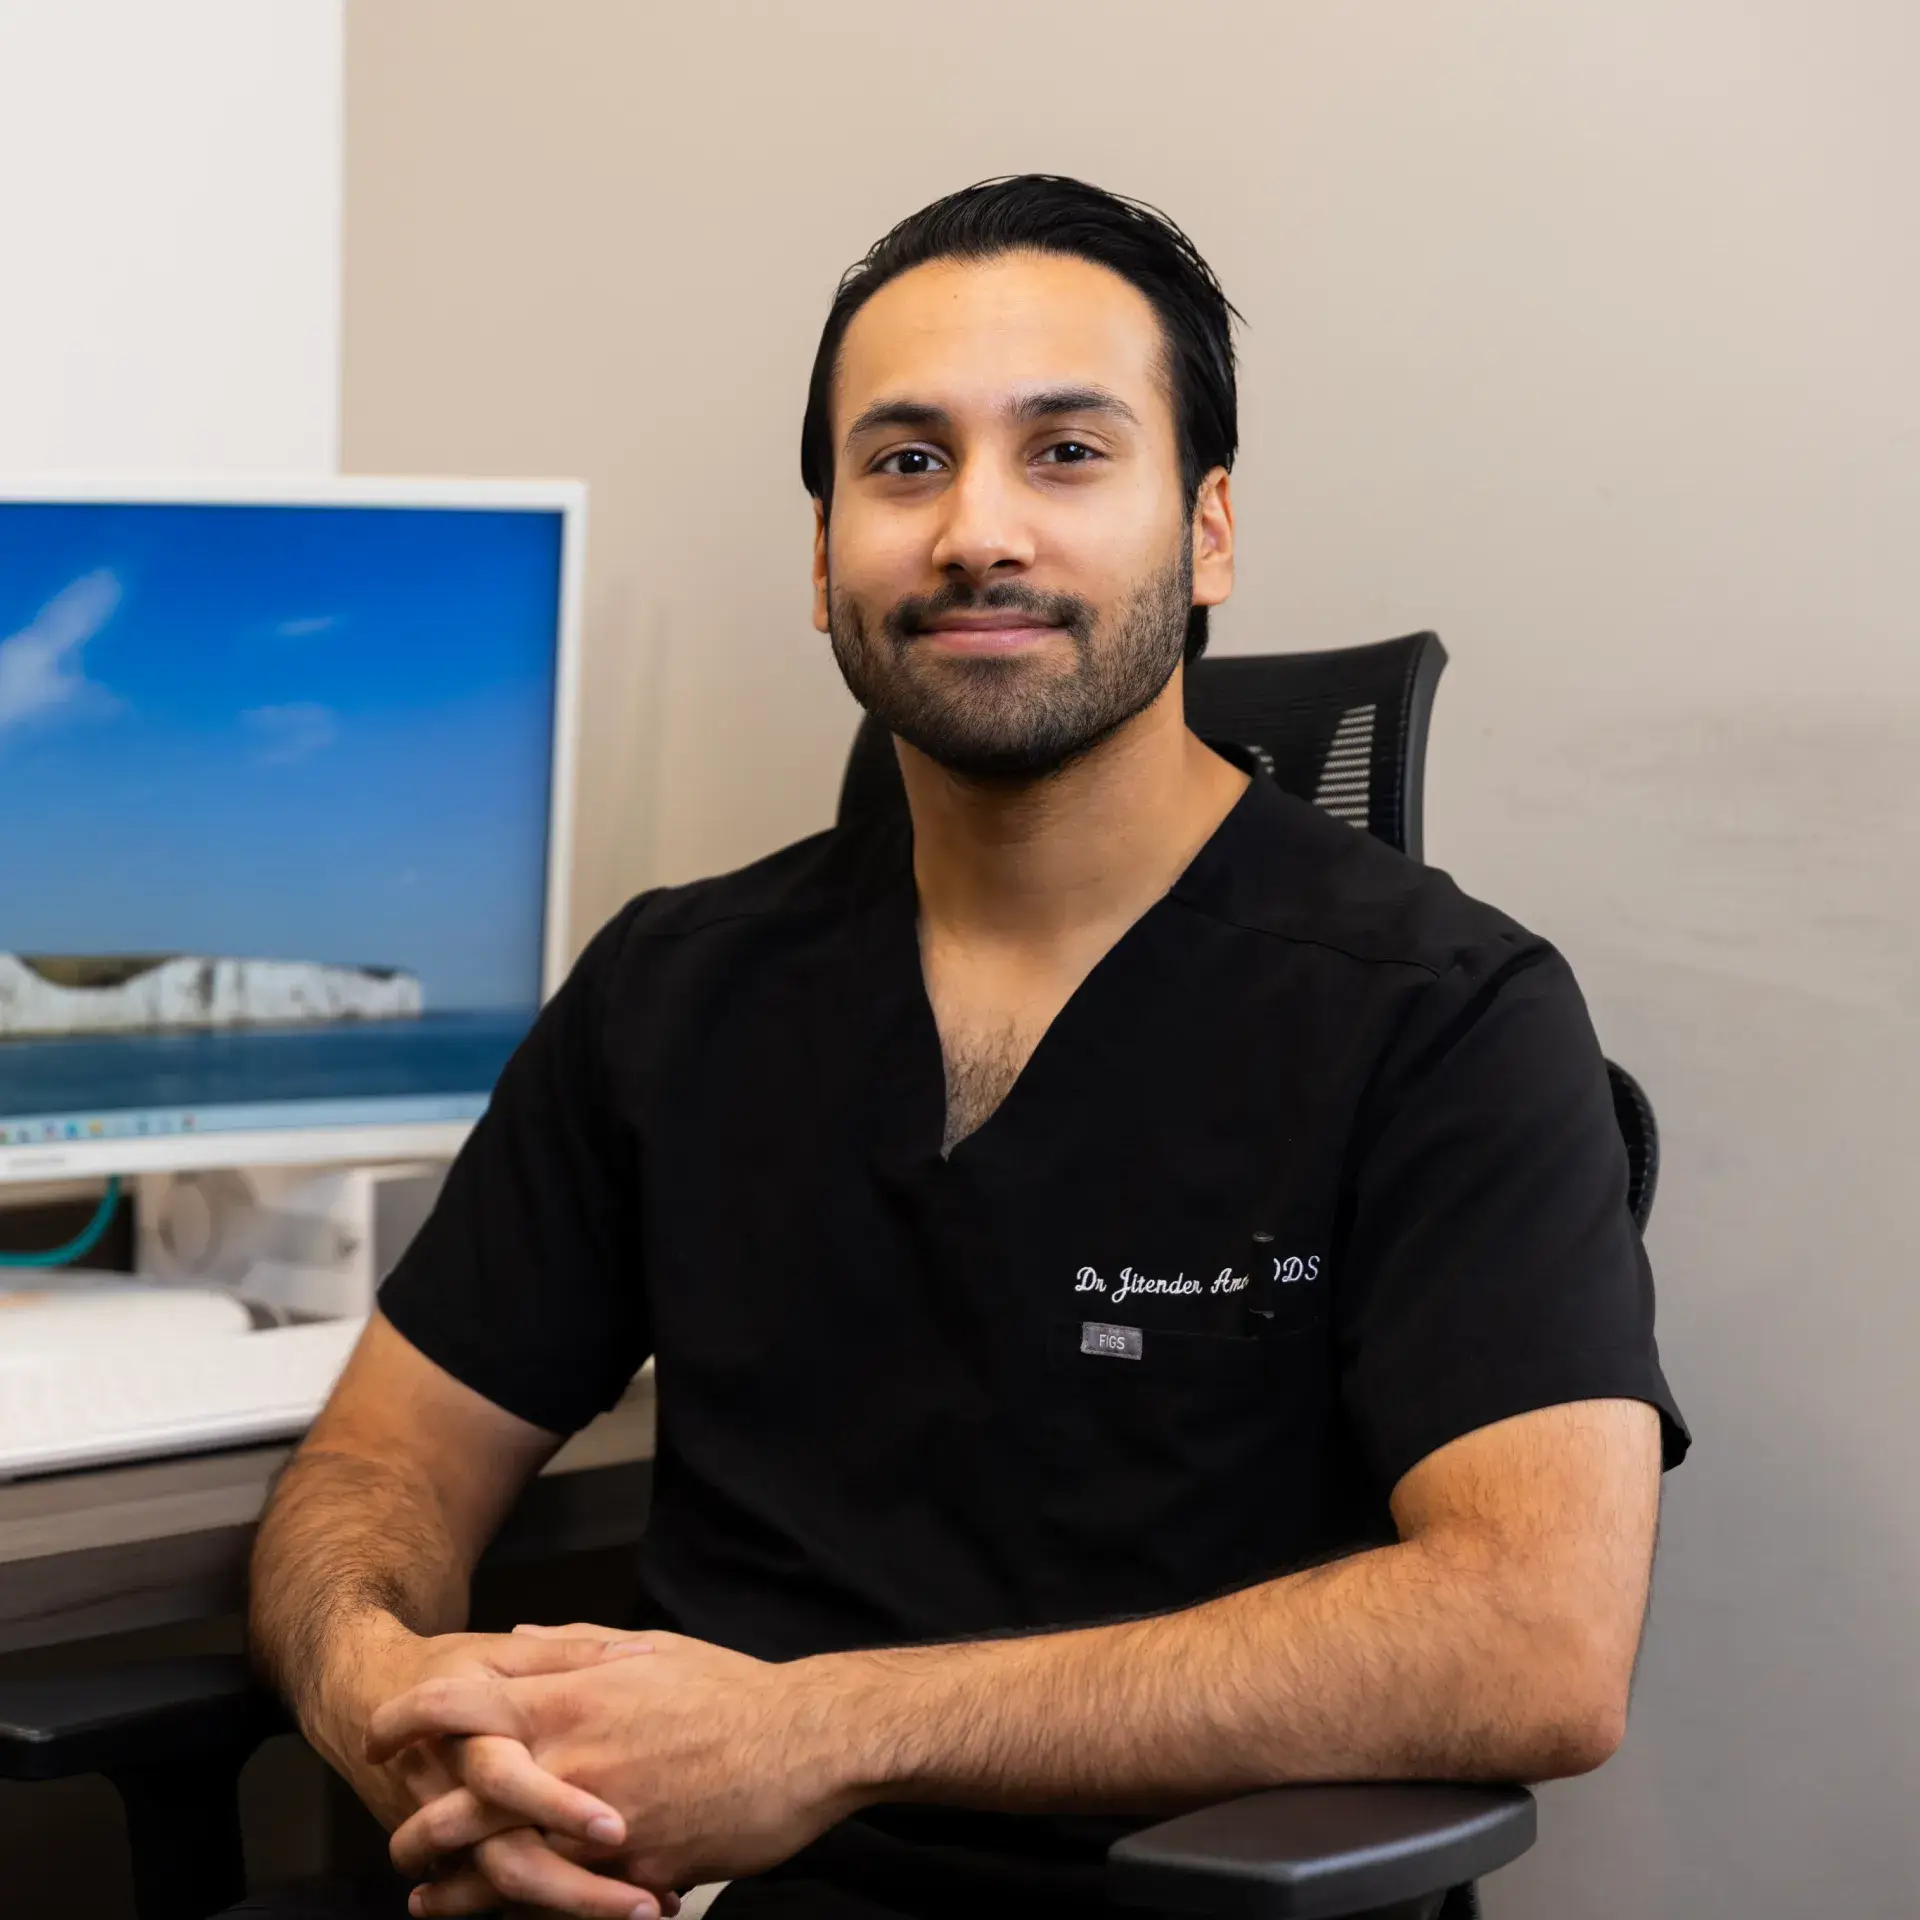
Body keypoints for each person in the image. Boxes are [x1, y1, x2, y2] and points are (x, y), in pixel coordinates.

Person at [242, 175, 1688, 1920]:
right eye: (905, 462)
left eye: (1067, 453)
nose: (975, 533)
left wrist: (820, 1735)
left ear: (1208, 531)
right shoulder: (676, 987)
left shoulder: (1443, 1018)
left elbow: (1538, 1638)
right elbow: (380, 1467)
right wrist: (387, 1699)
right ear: (825, 555)